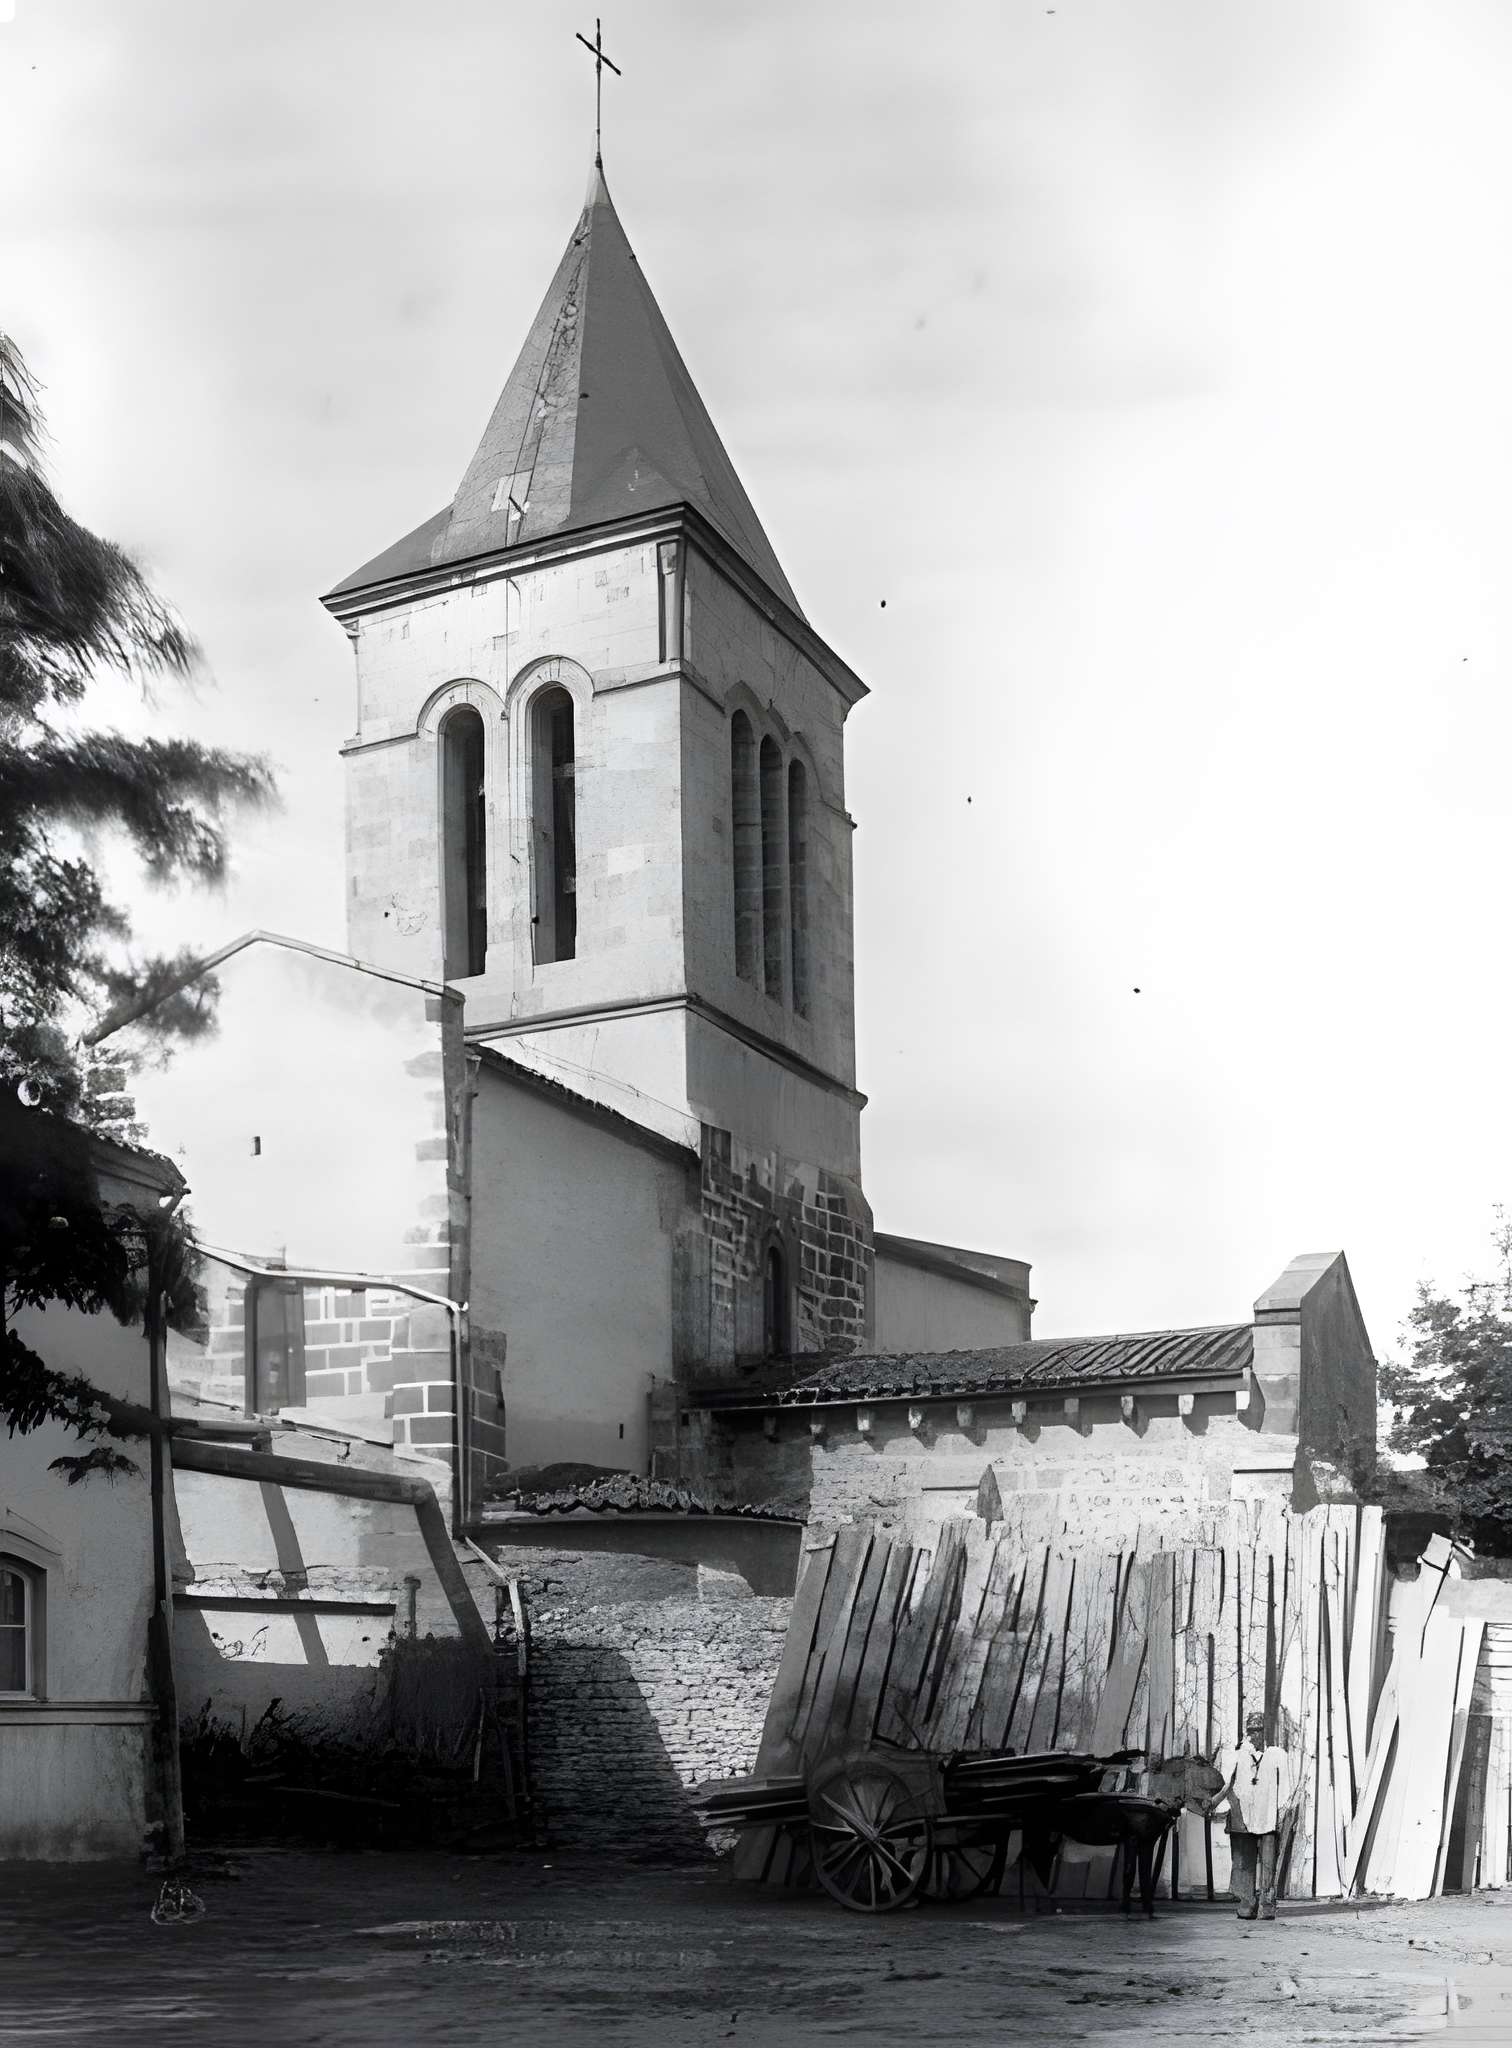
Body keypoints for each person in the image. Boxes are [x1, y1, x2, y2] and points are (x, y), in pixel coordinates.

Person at [1205, 1711, 1299, 1920]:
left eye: (1257, 1731)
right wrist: (1212, 1803)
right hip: (1242, 1814)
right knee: (1243, 1860)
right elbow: (1226, 1784)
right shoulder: (1237, 1755)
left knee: (1268, 1862)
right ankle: (1246, 1902)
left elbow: (1285, 1786)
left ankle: (1267, 1903)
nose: (1254, 1735)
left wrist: (1281, 1811)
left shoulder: (1277, 1755)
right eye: (1250, 1731)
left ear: (1264, 1732)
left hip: (1267, 1815)